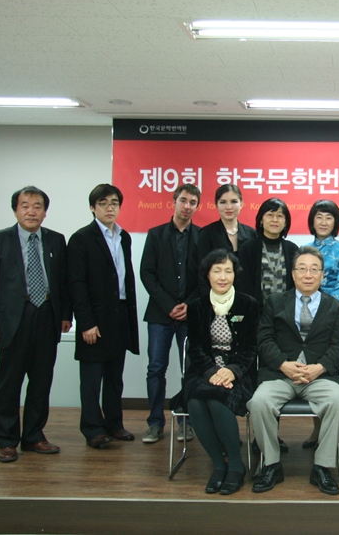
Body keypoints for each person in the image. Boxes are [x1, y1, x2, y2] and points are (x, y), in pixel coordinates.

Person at [0, 186, 72, 463]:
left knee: (41, 382)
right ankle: (7, 441)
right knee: (9, 384)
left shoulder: (56, 240)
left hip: (47, 317)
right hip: (11, 321)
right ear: (16, 210)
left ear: (45, 211)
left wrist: (66, 314)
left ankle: (33, 436)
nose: (31, 211)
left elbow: (63, 282)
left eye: (38, 206)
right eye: (25, 205)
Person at [246, 247, 339, 495]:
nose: (308, 274)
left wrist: (320, 367)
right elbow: (264, 340)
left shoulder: (335, 307)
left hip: (318, 376)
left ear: (322, 275)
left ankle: (322, 467)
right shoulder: (274, 302)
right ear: (292, 274)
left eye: (314, 269)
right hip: (280, 374)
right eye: (302, 269)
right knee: (259, 402)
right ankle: (271, 464)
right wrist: (283, 364)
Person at [68, 184, 139, 448]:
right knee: (91, 379)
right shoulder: (81, 238)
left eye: (114, 203)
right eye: (103, 203)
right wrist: (86, 322)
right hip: (94, 320)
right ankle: (92, 428)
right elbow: (76, 284)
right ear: (92, 207)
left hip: (119, 316)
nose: (110, 208)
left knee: (114, 377)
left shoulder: (124, 237)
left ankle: (114, 424)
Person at [184, 249, 259, 495]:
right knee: (195, 401)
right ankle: (218, 465)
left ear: (235, 275)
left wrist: (231, 371)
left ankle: (236, 467)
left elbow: (250, 347)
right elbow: (194, 347)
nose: (223, 276)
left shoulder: (248, 304)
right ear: (207, 275)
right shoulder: (196, 306)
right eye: (217, 271)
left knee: (217, 402)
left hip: (240, 370)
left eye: (228, 271)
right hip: (204, 370)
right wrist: (212, 372)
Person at [139, 184, 201, 444]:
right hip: (160, 315)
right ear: (173, 202)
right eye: (183, 201)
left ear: (198, 206)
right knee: (156, 369)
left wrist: (188, 304)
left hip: (191, 315)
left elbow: (204, 276)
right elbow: (147, 274)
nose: (187, 206)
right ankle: (155, 423)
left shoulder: (202, 236)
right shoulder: (155, 235)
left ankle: (185, 422)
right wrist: (168, 305)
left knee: (189, 371)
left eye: (193, 202)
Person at [301, 200, 339, 450]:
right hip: (303, 321)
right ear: (312, 220)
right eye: (319, 217)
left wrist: (319, 306)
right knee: (307, 372)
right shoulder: (304, 249)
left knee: (324, 373)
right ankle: (316, 429)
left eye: (328, 218)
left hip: (331, 320)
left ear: (336, 222)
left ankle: (328, 432)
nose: (323, 222)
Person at [237, 197, 299, 307]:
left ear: (285, 222)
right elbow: (243, 285)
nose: (275, 220)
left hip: (287, 314)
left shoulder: (292, 249)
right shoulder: (248, 249)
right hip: (257, 313)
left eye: (280, 216)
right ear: (261, 220)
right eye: (270, 215)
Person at [198, 184, 256, 256]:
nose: (228, 207)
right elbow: (203, 265)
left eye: (234, 201)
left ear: (241, 204)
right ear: (216, 205)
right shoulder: (207, 233)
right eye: (223, 202)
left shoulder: (252, 234)